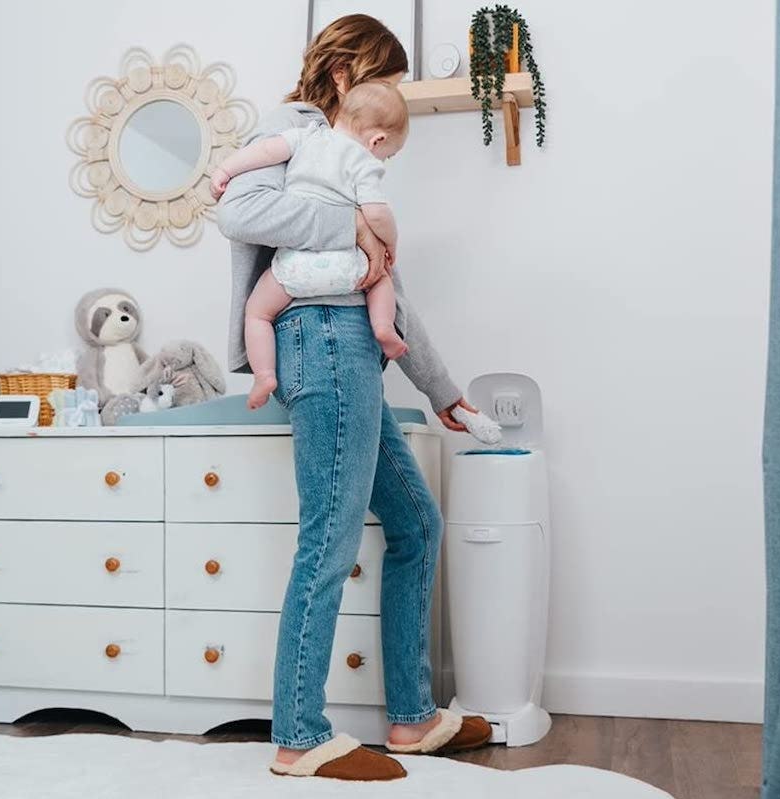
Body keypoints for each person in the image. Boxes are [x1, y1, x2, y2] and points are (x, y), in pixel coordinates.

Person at [217, 14, 490, 781]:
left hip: (354, 345)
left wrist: (439, 388)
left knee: (415, 521)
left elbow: (387, 282)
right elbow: (238, 209)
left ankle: (411, 717)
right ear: (343, 77)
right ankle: (299, 734)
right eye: (379, 84)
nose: (386, 106)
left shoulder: (356, 163)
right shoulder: (294, 127)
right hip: (322, 340)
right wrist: (352, 223)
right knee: (329, 540)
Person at [211, 81, 410, 409]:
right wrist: (389, 241)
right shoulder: (363, 161)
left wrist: (224, 169)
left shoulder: (305, 137)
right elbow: (376, 213)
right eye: (388, 154)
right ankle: (384, 328)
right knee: (381, 278)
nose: (383, 160)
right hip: (347, 267)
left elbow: (263, 152)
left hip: (294, 267)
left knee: (257, 313)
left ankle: (264, 375)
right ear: (377, 140)